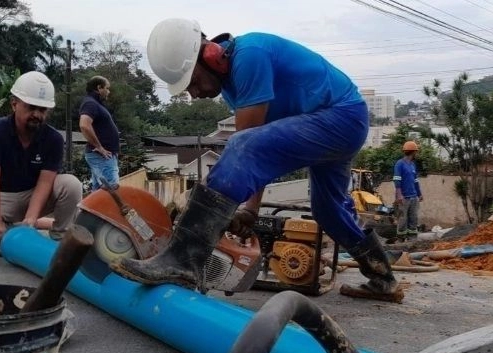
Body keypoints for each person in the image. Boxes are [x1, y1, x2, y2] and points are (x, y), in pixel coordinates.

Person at [110, 18, 401, 301]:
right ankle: (383, 278)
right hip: (341, 120)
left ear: (211, 55)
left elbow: (247, 148)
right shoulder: (232, 81)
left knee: (242, 145)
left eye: (193, 82)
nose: (194, 93)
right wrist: (250, 210)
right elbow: (258, 150)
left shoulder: (250, 57)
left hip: (340, 117)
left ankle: (183, 259)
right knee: (328, 210)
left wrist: (246, 207)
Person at [0, 71, 83, 249]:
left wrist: (31, 220)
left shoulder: (53, 139)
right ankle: (6, 231)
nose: (36, 114)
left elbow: (44, 184)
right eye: (30, 107)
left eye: (42, 110)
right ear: (14, 104)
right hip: (1, 197)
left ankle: (60, 239)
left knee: (72, 184)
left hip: (31, 194)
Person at [79, 76, 120, 190]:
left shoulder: (95, 103)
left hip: (103, 155)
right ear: (99, 88)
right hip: (102, 155)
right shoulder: (90, 103)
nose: (109, 91)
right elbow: (84, 125)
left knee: (98, 192)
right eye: (107, 88)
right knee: (112, 190)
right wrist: (99, 147)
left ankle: (88, 209)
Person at [393, 141, 423, 238]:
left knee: (413, 219)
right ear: (413, 152)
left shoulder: (412, 165)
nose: (416, 153)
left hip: (413, 197)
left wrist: (419, 194)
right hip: (404, 198)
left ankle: (412, 240)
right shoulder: (400, 164)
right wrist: (399, 195)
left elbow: (415, 181)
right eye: (416, 152)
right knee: (402, 219)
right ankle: (401, 240)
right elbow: (397, 180)